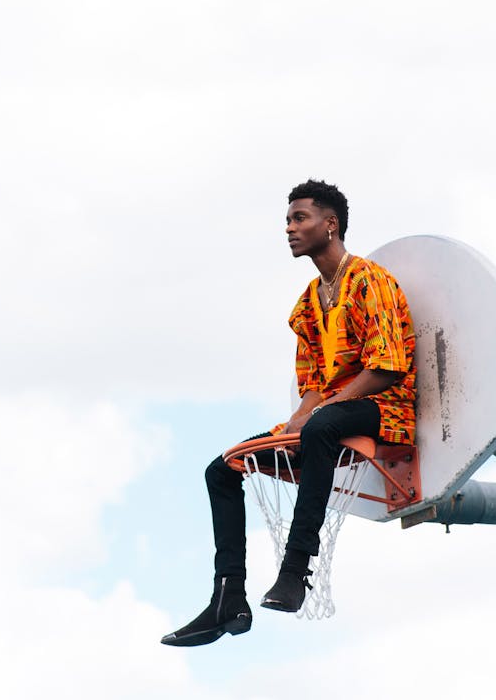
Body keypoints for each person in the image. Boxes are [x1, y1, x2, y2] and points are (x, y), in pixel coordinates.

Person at [161, 179, 416, 647]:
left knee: (318, 427)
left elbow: (388, 367)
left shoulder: (369, 280)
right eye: (288, 220)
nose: (290, 228)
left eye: (300, 219)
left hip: (385, 409)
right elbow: (315, 385)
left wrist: (321, 411)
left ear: (330, 224)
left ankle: (296, 569)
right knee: (222, 468)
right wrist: (300, 416)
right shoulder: (308, 302)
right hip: (333, 414)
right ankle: (227, 596)